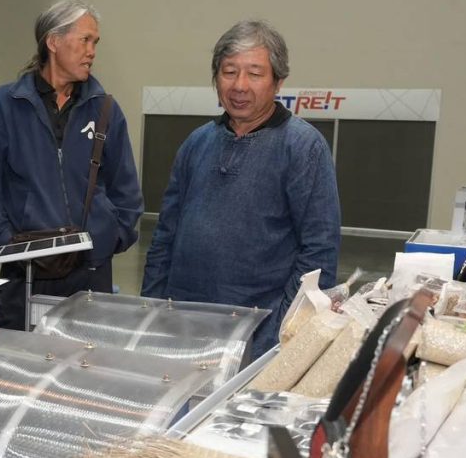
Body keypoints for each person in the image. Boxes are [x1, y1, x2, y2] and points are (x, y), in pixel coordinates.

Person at [141, 19, 341, 357]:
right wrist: (152, 311)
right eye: (229, 72)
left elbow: (319, 255)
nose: (239, 85)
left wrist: (278, 333)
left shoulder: (303, 147)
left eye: (255, 73)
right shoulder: (197, 143)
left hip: (259, 335)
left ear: (278, 81)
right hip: (181, 329)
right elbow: (164, 237)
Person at [0, 0, 143, 329]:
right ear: (53, 41)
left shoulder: (105, 110)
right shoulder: (2, 107)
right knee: (19, 357)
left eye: (95, 42)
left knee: (84, 359)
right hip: (24, 276)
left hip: (91, 273)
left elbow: (126, 192)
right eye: (85, 40)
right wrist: (11, 251)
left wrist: (105, 240)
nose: (92, 51)